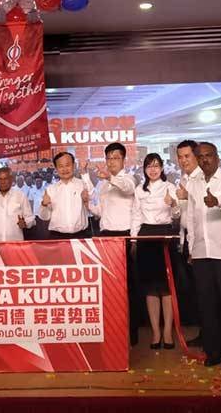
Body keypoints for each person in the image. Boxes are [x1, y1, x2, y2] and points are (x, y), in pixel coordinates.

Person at [184, 142, 221, 367]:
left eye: (209, 155)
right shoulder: (194, 183)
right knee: (207, 305)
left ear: (217, 157)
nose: (204, 160)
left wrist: (217, 201)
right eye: (200, 156)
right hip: (201, 252)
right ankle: (213, 352)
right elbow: (191, 218)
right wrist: (191, 248)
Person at [86, 143, 139, 344]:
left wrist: (110, 178)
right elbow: (102, 211)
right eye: (109, 158)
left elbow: (126, 189)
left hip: (124, 236)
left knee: (128, 288)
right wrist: (87, 205)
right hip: (106, 236)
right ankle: (114, 332)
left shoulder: (129, 178)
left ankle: (131, 334)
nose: (111, 162)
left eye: (116, 158)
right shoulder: (103, 184)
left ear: (124, 160)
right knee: (109, 287)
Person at [131, 153, 180, 350]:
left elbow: (177, 215)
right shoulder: (139, 190)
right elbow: (135, 215)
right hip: (145, 236)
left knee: (166, 288)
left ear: (162, 168)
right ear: (144, 169)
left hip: (165, 235)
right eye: (149, 166)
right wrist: (134, 240)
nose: (153, 169)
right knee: (150, 288)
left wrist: (173, 204)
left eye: (156, 166)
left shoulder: (170, 187)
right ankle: (155, 332)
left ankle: (168, 331)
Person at [175, 139, 204, 346]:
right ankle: (205, 331)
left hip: (200, 242)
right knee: (195, 291)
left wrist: (193, 246)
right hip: (186, 239)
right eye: (180, 156)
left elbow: (199, 215)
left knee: (204, 291)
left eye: (187, 156)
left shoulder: (202, 178)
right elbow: (183, 214)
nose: (183, 160)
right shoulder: (184, 179)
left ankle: (211, 333)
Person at [39, 152, 94, 239]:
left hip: (81, 236)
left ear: (73, 165)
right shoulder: (50, 189)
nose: (65, 169)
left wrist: (84, 173)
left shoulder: (82, 184)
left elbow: (92, 196)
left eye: (67, 165)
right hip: (57, 237)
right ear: (56, 169)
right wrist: (44, 204)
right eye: (61, 166)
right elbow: (45, 217)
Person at [0, 168, 34, 242]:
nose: (2, 182)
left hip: (15, 244)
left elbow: (30, 218)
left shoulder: (20, 196)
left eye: (5, 179)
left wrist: (25, 223)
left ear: (11, 180)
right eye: (0, 179)